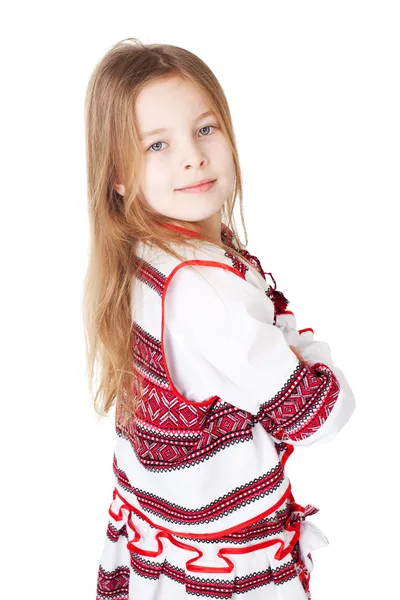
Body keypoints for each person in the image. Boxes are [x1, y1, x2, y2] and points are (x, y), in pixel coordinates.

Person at [83, 38, 356, 600]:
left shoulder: (149, 256)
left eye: (205, 129)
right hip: (221, 572)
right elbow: (323, 414)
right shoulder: (207, 296)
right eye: (156, 144)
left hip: (165, 549)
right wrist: (305, 345)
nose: (192, 156)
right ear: (117, 176)